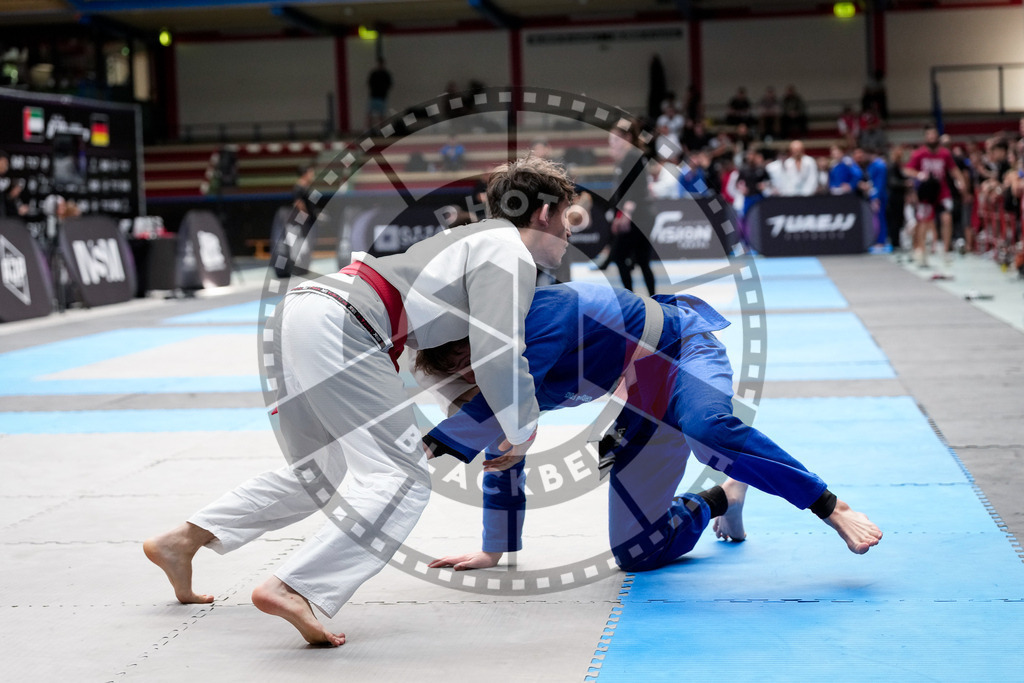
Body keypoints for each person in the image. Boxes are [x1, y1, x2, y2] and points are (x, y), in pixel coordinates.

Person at [143, 156, 579, 647]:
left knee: (319, 469)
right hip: (346, 321)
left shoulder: (471, 241)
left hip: (309, 308)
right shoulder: (507, 250)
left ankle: (184, 539)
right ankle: (295, 587)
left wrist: (472, 418)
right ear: (544, 213)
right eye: (568, 217)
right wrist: (523, 430)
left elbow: (433, 358)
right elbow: (499, 350)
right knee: (404, 478)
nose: (569, 233)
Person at [416, 283, 883, 572]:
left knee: (708, 430)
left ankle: (829, 504)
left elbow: (486, 421)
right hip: (643, 395)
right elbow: (502, 449)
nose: (473, 377)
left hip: (683, 351)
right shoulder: (501, 387)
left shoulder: (540, 317)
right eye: (462, 374)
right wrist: (493, 550)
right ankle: (726, 494)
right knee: (637, 552)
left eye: (468, 359)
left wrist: (420, 450)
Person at [606, 123, 656, 295]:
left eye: (615, 139)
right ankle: (653, 298)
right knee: (642, 260)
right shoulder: (627, 158)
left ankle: (632, 298)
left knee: (620, 257)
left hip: (638, 215)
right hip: (637, 214)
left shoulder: (632, 156)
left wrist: (625, 213)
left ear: (626, 138)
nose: (611, 143)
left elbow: (636, 188)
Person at [905, 123, 966, 265]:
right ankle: (921, 251)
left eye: (934, 135)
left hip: (941, 191)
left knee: (946, 218)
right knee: (924, 222)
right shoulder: (919, 153)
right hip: (926, 192)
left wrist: (961, 182)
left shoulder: (945, 153)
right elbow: (908, 170)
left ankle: (946, 251)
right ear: (926, 137)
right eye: (929, 135)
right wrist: (919, 174)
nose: (932, 137)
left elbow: (954, 170)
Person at [0, 150, 28, 219]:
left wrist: (11, 196)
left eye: (7, 164)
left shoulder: (9, 183)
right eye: (3, 163)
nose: (5, 167)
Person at [366, 58, 393, 129]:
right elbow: (369, 83)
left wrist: (384, 91)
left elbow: (389, 84)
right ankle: (369, 130)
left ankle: (381, 129)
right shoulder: (374, 74)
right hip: (374, 96)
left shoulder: (386, 74)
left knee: (381, 115)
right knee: (370, 115)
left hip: (382, 97)